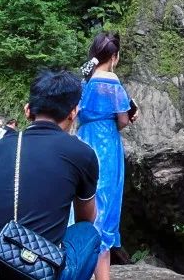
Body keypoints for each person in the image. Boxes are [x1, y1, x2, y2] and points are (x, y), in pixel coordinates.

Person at [0, 69, 101, 280]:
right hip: (32, 272)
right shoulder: (81, 153)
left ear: (27, 111)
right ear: (73, 113)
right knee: (89, 234)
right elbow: (86, 218)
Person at [78, 32, 138, 280]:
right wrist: (133, 114)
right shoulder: (111, 82)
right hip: (106, 143)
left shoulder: (85, 81)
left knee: (84, 195)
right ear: (114, 57)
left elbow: (79, 113)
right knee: (105, 197)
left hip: (84, 139)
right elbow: (122, 120)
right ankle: (101, 267)